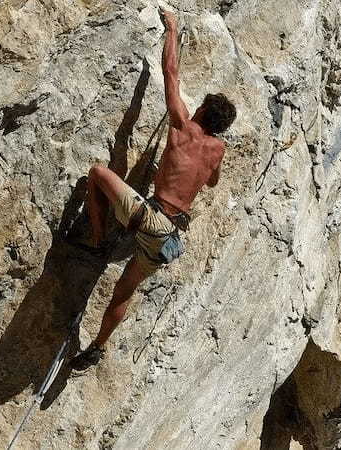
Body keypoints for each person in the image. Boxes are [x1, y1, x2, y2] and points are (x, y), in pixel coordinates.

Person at [70, 9, 237, 370]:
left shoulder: (183, 127)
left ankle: (98, 240)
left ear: (202, 110)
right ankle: (97, 346)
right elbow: (212, 180)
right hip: (169, 239)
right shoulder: (217, 150)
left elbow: (171, 74)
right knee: (123, 291)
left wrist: (172, 28)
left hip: (150, 219)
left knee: (98, 173)